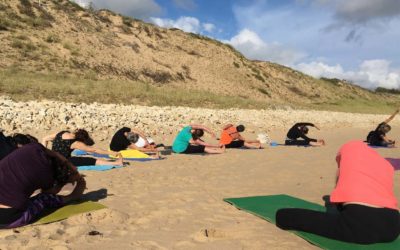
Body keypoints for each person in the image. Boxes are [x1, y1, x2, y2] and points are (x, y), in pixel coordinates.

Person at [276, 141, 400, 244]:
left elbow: (339, 186)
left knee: (283, 216)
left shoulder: (348, 159)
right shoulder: (383, 164)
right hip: (393, 226)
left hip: (359, 225)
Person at [0, 143, 86, 229]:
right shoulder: (48, 175)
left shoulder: (33, 147)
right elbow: (49, 193)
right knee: (44, 198)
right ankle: (71, 197)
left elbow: (56, 154)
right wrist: (78, 179)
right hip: (8, 217)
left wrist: (69, 165)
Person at [42, 129, 123, 166]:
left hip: (52, 158)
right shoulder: (76, 143)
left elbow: (44, 139)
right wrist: (111, 152)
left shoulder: (61, 133)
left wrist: (43, 154)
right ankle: (116, 163)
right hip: (63, 161)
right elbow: (94, 150)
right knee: (91, 160)